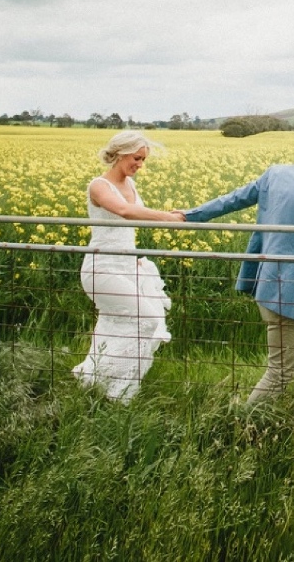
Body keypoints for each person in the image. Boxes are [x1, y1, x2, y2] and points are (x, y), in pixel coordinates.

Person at [182, 123, 294, 419]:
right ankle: (240, 424)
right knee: (280, 375)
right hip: (290, 296)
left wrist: (188, 215)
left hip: (272, 287)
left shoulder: (275, 173)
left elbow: (232, 200)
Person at [72, 130, 185, 401]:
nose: (140, 165)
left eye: (143, 160)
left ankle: (94, 382)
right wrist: (166, 218)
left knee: (114, 325)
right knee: (147, 320)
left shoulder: (131, 185)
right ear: (121, 153)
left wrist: (181, 215)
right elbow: (124, 212)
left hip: (126, 267)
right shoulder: (98, 186)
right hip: (102, 270)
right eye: (137, 158)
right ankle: (119, 392)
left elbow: (133, 220)